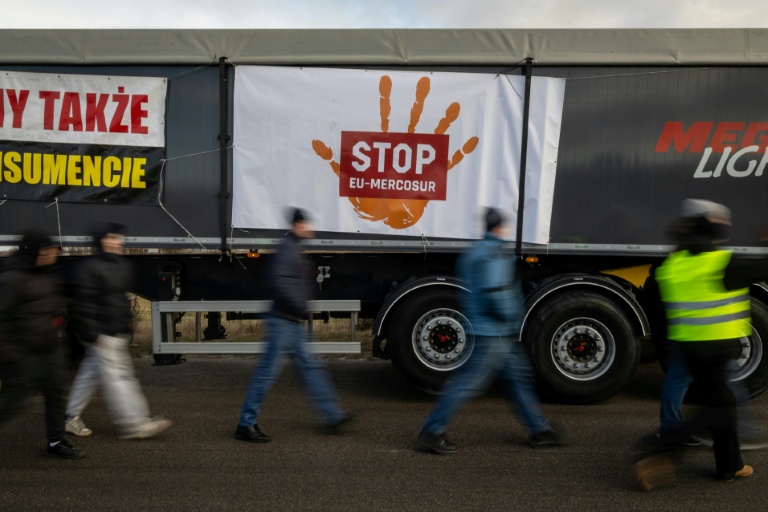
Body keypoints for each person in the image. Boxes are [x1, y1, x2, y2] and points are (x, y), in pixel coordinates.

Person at [634, 198, 768, 490]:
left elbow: (657, 305)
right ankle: (660, 450)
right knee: (718, 409)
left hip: (687, 348)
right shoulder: (722, 263)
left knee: (722, 405)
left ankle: (730, 466)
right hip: (717, 349)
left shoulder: (673, 264)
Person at [417, 208, 565, 455]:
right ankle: (432, 431)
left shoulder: (476, 251)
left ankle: (540, 429)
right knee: (467, 384)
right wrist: (511, 316)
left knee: (518, 378)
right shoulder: (493, 253)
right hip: (494, 331)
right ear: (499, 228)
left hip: (493, 330)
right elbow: (495, 291)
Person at [235, 208, 352, 442]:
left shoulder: (294, 249)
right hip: (282, 322)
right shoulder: (287, 250)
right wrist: (300, 305)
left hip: (291, 322)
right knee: (266, 375)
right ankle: (245, 424)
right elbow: (278, 283)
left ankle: (333, 415)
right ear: (297, 226)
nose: (310, 228)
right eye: (306, 224)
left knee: (312, 368)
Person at [64, 223, 172, 440]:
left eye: (118, 237)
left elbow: (119, 300)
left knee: (89, 376)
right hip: (102, 336)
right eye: (112, 238)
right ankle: (134, 424)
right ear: (101, 240)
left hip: (115, 333)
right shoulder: (89, 268)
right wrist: (93, 335)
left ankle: (69, 416)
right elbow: (84, 305)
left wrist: (126, 324)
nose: (117, 242)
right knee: (120, 379)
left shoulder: (120, 265)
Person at [0, 230, 83, 459]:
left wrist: (61, 342)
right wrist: (10, 352)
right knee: (12, 402)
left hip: (49, 351)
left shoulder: (46, 275)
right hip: (22, 353)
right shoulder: (12, 279)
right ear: (33, 252)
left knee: (56, 394)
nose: (53, 255)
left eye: (53, 251)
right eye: (47, 251)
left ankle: (56, 441)